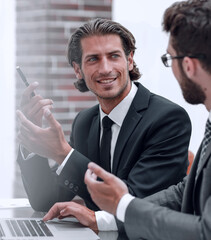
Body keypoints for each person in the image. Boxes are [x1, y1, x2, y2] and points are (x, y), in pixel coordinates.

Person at [17, 18, 191, 232]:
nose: (105, 68)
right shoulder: (85, 121)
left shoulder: (168, 119)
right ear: (78, 70)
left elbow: (132, 203)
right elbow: (44, 201)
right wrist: (31, 142)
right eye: (93, 59)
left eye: (114, 56)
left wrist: (64, 153)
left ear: (129, 60)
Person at [84, 1, 211, 239]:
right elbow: (185, 192)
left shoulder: (166, 117)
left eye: (169, 59)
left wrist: (123, 205)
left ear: (189, 65)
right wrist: (108, 215)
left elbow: (206, 232)